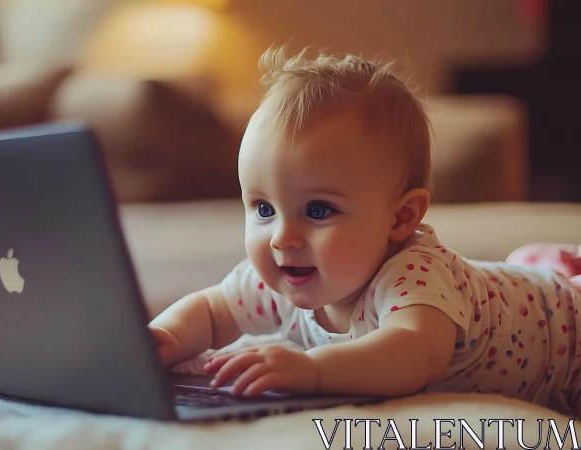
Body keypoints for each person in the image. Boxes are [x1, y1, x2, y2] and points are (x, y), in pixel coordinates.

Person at [148, 45, 581, 415]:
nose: (282, 237)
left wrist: (315, 369)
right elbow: (213, 310)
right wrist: (164, 336)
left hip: (569, 337)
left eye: (317, 210)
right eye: (264, 208)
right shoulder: (282, 275)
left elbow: (414, 354)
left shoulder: (413, 275)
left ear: (401, 218)